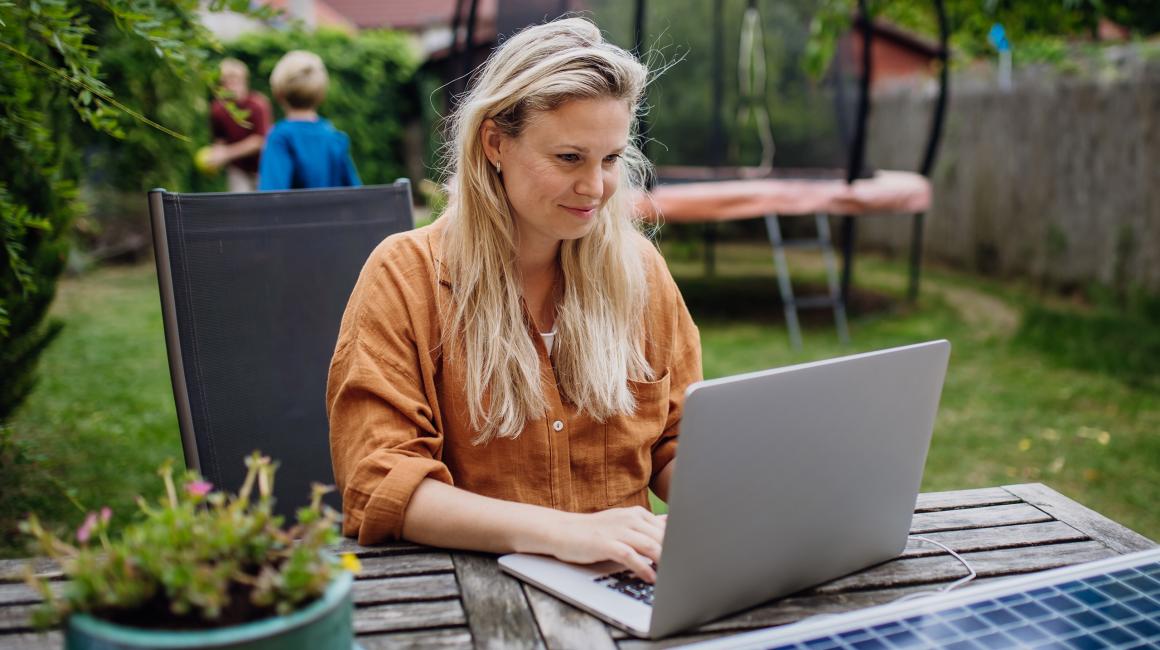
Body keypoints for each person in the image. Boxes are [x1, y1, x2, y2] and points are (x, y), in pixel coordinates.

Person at [327, 18, 701, 584]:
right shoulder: (407, 277)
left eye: (609, 159)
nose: (595, 187)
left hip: (630, 581)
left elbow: (675, 442)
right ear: (495, 143)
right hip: (471, 591)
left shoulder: (640, 272)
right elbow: (378, 482)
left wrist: (738, 492)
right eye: (569, 158)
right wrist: (564, 532)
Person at [258, 50, 361, 191]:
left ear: (278, 94)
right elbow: (356, 194)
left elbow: (272, 195)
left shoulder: (280, 138)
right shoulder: (334, 138)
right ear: (322, 95)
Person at [208, 58, 273, 192]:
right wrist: (216, 155)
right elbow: (220, 139)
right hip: (238, 169)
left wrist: (227, 153)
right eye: (227, 82)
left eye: (236, 81)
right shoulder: (217, 109)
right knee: (240, 202)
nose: (232, 86)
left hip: (262, 166)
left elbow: (259, 141)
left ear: (245, 81)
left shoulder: (258, 105)